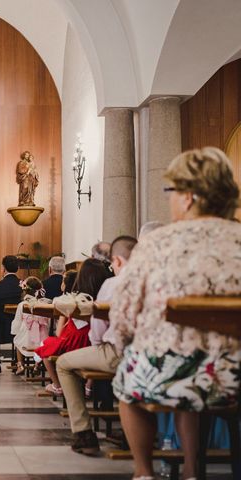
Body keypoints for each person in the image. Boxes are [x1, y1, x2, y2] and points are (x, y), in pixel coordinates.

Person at [111, 147, 241, 480]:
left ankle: (144, 473)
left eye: (171, 192)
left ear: (188, 197)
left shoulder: (157, 244)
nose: (170, 200)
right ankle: (191, 472)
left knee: (129, 384)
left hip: (166, 372)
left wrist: (126, 346)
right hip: (234, 375)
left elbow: (123, 314)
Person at [56, 235, 137, 455]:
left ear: (118, 261)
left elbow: (98, 330)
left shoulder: (113, 284)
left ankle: (84, 433)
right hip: (150, 355)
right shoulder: (155, 279)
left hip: (118, 352)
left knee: (63, 363)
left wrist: (97, 347)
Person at [35, 258, 111, 395]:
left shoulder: (74, 300)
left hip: (75, 342)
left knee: (46, 345)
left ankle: (58, 385)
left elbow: (59, 333)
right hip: (95, 342)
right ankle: (88, 386)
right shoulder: (104, 298)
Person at [12, 276, 50, 375]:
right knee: (41, 344)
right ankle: (37, 365)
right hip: (42, 333)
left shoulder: (23, 304)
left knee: (17, 341)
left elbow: (18, 320)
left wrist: (15, 331)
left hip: (26, 333)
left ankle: (20, 365)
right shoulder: (43, 304)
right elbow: (48, 320)